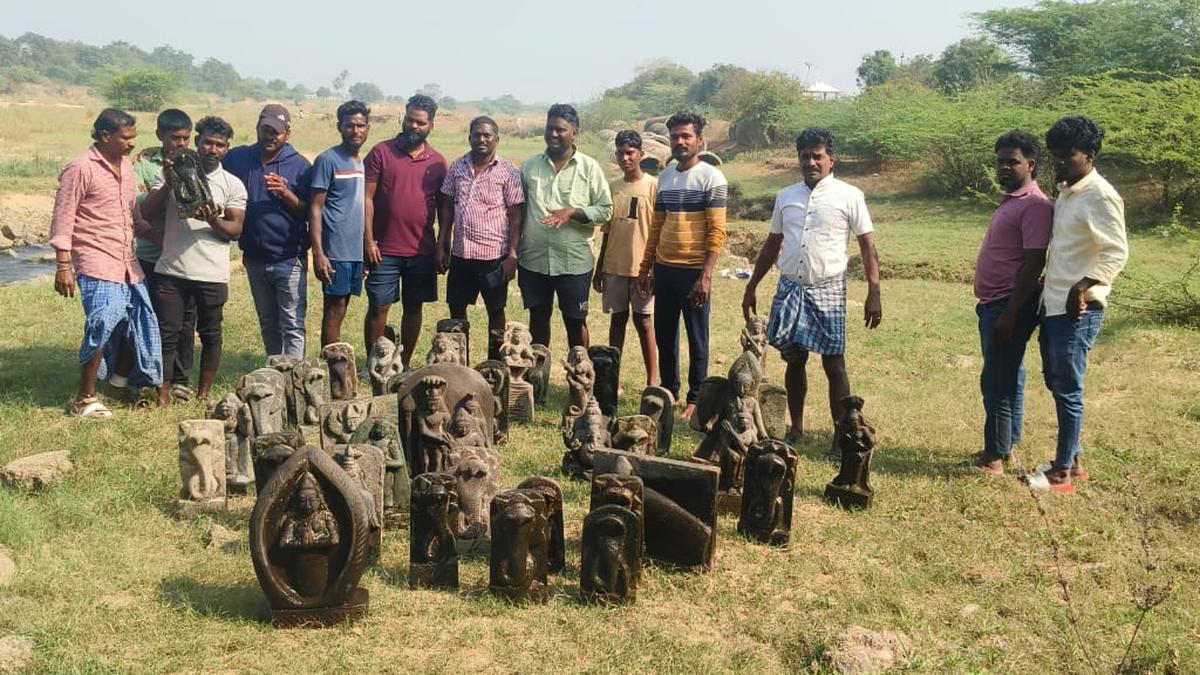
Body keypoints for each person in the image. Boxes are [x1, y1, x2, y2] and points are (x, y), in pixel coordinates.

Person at [741, 127, 882, 456]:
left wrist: (874, 291)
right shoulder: (786, 196)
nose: (810, 162)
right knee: (794, 360)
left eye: (817, 156)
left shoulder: (850, 196)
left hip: (828, 287)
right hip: (791, 286)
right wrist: (752, 285)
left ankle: (843, 434)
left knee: (834, 363)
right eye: (805, 156)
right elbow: (772, 244)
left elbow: (867, 246)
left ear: (832, 160)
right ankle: (797, 427)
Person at [1021, 116, 1128, 494]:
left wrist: (1081, 287)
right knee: (1056, 381)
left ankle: (1062, 473)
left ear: (1091, 155)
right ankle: (1074, 460)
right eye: (1056, 155)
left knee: (1068, 388)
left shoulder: (1101, 195)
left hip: (1078, 310)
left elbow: (1116, 252)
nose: (1060, 162)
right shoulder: (1069, 193)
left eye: (1069, 155)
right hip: (1053, 304)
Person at [49, 108, 162, 418]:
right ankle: (84, 398)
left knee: (137, 324)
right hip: (96, 259)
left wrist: (158, 239)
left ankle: (117, 384)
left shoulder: (126, 167)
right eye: (126, 138)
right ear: (105, 136)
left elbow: (132, 216)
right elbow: (63, 217)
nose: (132, 143)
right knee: (102, 323)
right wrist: (63, 264)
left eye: (134, 137)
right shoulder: (80, 168)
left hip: (127, 262)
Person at [140, 116, 246, 406]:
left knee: (211, 334)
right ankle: (163, 394)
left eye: (220, 145)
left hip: (211, 274)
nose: (213, 149)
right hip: (172, 269)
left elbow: (235, 230)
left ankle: (203, 395)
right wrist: (167, 182)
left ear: (227, 148)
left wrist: (213, 219)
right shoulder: (172, 173)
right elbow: (146, 213)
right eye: (208, 143)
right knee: (168, 333)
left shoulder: (232, 184)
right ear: (197, 142)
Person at [971, 131, 1053, 475]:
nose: (1004, 167)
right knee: (1009, 376)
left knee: (996, 382)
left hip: (1007, 305)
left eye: (1012, 162)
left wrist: (1010, 313)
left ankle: (993, 458)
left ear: (1030, 164)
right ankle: (1006, 447)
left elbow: (1034, 263)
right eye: (1000, 162)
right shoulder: (1014, 201)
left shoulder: (1034, 205)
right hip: (996, 303)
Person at [637, 111, 726, 418]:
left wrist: (706, 276)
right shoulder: (665, 177)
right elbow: (656, 227)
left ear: (700, 140)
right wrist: (645, 268)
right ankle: (669, 391)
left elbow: (717, 231)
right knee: (665, 335)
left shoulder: (712, 178)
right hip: (665, 269)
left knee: (697, 337)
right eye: (675, 136)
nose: (680, 141)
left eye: (686, 136)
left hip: (694, 272)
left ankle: (696, 398)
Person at [518, 103, 613, 348]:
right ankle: (540, 368)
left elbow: (605, 210)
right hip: (534, 260)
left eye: (560, 130)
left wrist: (573, 212)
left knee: (575, 320)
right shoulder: (530, 166)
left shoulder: (589, 168)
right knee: (538, 317)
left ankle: (580, 369)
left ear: (575, 133)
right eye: (549, 128)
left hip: (573, 262)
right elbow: (519, 211)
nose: (553, 134)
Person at [363, 94, 447, 367]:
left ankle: (404, 364)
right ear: (404, 118)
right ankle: (375, 365)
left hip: (421, 249)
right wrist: (368, 241)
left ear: (431, 126)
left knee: (414, 306)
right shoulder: (381, 152)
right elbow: (366, 198)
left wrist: (441, 245)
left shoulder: (437, 162)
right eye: (410, 120)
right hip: (383, 249)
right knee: (378, 307)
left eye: (421, 122)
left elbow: (444, 208)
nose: (414, 126)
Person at [222, 103, 311, 357]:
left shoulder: (300, 166)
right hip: (254, 258)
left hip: (289, 257)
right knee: (268, 321)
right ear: (257, 129)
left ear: (287, 134)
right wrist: (157, 152)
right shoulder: (238, 158)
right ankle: (274, 370)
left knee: (292, 323)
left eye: (276, 132)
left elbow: (308, 212)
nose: (270, 136)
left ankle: (295, 373)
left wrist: (286, 193)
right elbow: (209, 158)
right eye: (265, 130)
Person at [436, 115, 525, 354]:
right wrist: (442, 243)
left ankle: (494, 363)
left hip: (494, 257)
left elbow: (516, 216)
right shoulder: (457, 167)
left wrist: (513, 256)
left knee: (495, 311)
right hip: (461, 254)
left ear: (497, 139)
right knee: (457, 309)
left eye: (487, 135)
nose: (482, 139)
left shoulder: (507, 171)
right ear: (469, 138)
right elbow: (447, 207)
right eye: (477, 135)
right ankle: (459, 360)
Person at [133, 109, 196, 402]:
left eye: (185, 138)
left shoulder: (195, 159)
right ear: (160, 135)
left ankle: (180, 380)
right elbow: (141, 213)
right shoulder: (144, 164)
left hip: (185, 255)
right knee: (151, 318)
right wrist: (168, 182)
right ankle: (150, 377)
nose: (181, 144)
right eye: (175, 138)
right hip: (151, 254)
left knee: (184, 321)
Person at [594, 130, 658, 387]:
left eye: (630, 153)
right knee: (617, 320)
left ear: (641, 154)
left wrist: (653, 267)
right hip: (615, 266)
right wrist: (600, 268)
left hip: (643, 268)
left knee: (644, 321)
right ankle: (613, 379)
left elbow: (658, 229)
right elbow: (607, 231)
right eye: (620, 153)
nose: (625, 158)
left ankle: (653, 380)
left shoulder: (653, 186)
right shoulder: (613, 188)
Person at [309, 100, 370, 347]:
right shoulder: (328, 160)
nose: (355, 131)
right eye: (349, 125)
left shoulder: (361, 162)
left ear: (368, 128)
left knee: (343, 306)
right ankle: (330, 362)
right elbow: (315, 207)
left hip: (354, 251)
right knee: (334, 309)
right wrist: (318, 253)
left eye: (360, 125)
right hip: (336, 250)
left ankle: (335, 359)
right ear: (339, 127)